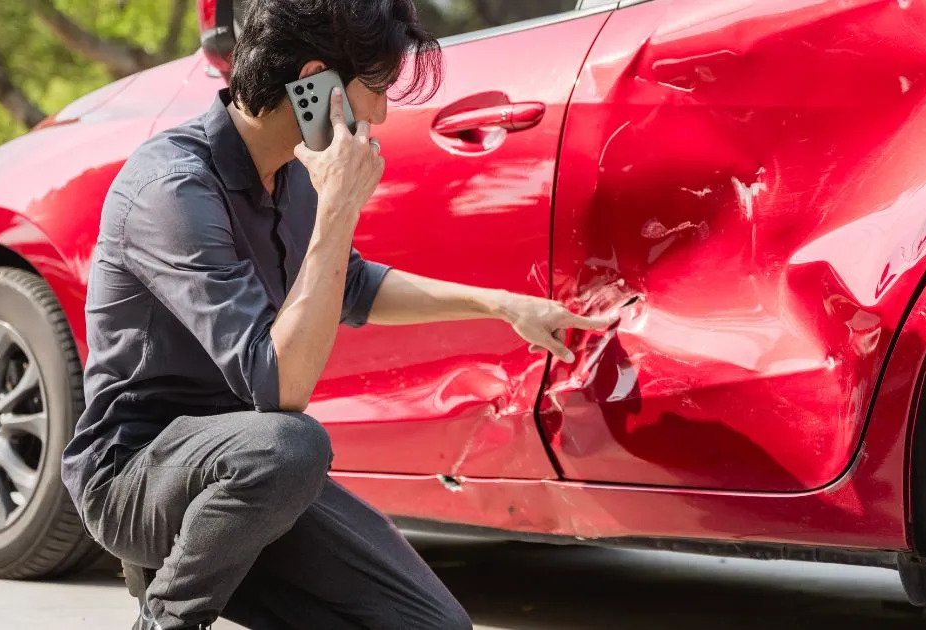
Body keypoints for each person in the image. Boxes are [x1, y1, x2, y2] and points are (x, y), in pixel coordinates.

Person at [59, 0, 615, 628]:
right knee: (294, 444)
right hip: (137, 478)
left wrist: (500, 305)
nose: (380, 113)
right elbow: (281, 387)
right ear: (316, 81)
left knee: (435, 625)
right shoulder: (173, 188)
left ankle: (209, 559)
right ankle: (164, 617)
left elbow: (351, 283)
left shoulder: (292, 176)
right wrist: (338, 209)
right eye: (374, 89)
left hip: (249, 479)